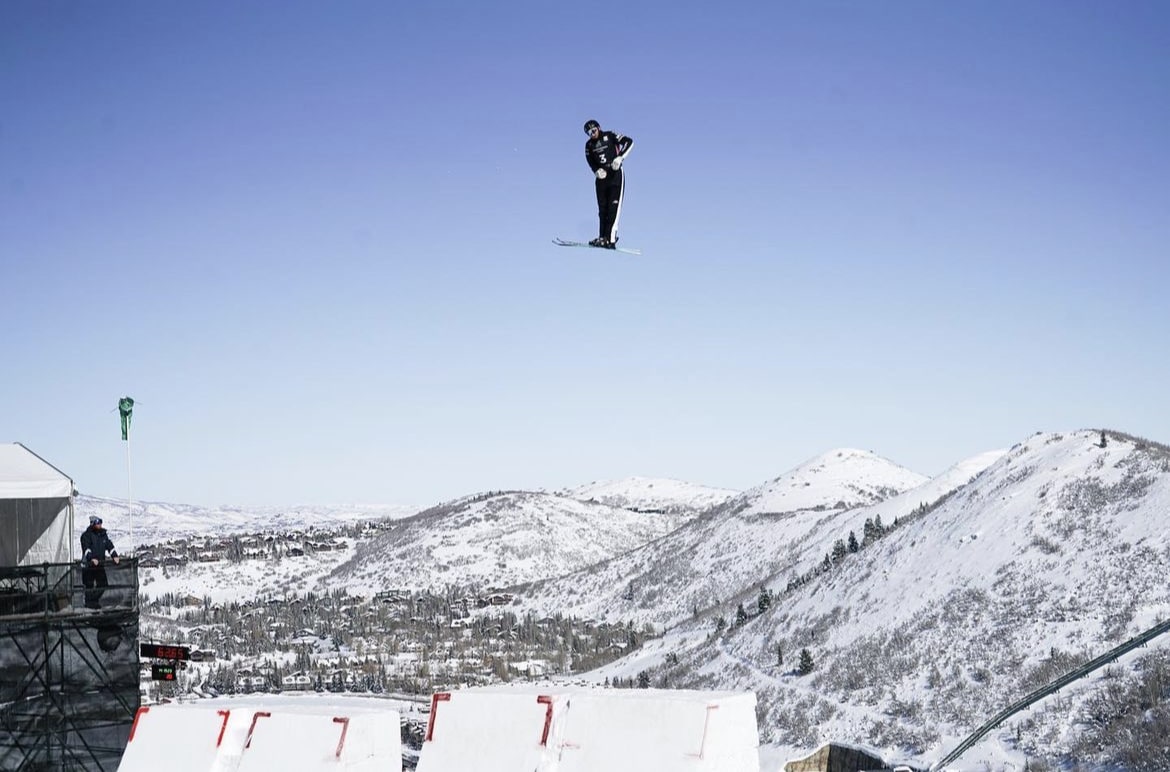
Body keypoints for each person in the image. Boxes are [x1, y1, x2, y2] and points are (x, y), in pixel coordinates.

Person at [583, 119, 633, 248]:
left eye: (593, 130)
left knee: (613, 209)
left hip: (615, 176)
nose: (592, 134)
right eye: (589, 133)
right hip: (601, 179)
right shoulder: (589, 145)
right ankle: (602, 238)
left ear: (599, 128)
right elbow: (590, 160)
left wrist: (620, 157)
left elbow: (629, 141)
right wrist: (595, 170)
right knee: (602, 209)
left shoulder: (610, 135)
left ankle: (610, 239)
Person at [80, 515, 120, 609]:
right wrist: (91, 558)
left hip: (99, 565)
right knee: (89, 586)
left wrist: (114, 555)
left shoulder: (103, 534)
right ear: (92, 524)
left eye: (100, 522)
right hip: (88, 566)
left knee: (103, 584)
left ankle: (93, 602)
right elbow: (86, 549)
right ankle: (90, 604)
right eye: (98, 523)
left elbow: (109, 545)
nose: (100, 525)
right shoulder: (86, 536)